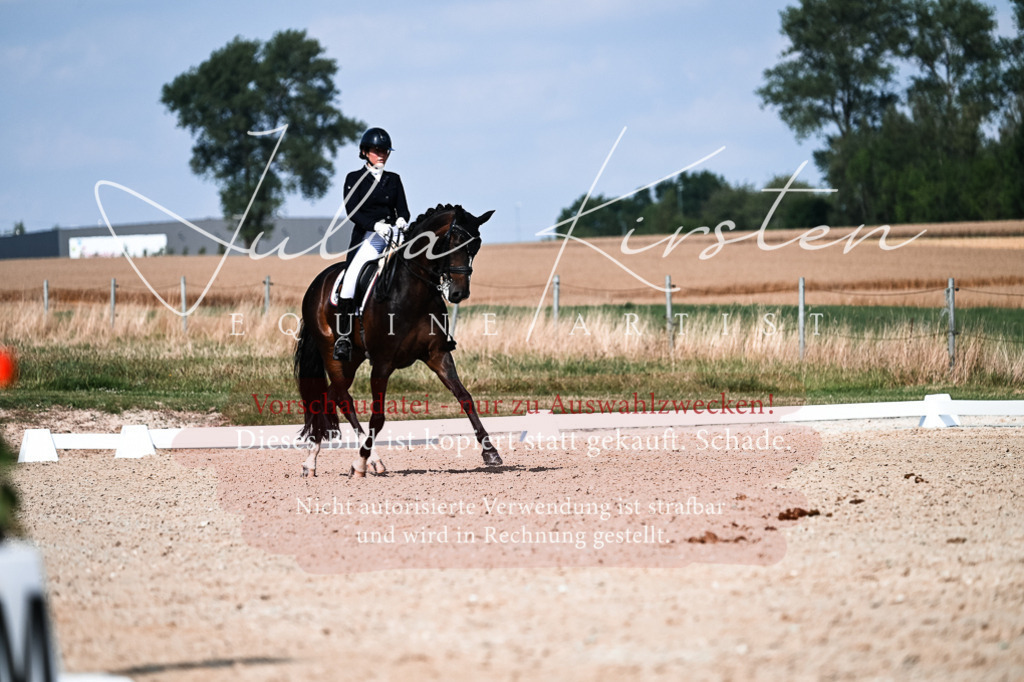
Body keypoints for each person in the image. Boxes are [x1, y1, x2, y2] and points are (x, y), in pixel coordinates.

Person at [332, 127, 411, 361]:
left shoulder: (394, 180)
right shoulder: (354, 179)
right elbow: (353, 212)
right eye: (377, 151)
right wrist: (375, 226)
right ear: (365, 152)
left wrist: (401, 220)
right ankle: (344, 338)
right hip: (369, 237)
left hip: (394, 234)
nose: (382, 155)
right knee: (350, 280)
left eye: (385, 151)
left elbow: (403, 209)